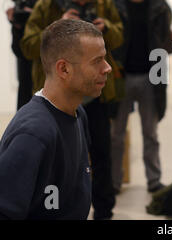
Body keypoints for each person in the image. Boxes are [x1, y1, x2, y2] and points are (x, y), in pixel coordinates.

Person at [20, 0, 123, 220]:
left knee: (101, 153)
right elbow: (28, 46)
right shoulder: (47, 5)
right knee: (60, 159)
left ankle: (104, 210)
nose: (85, 3)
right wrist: (58, 30)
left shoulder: (104, 1)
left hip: (95, 92)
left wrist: (106, 28)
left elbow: (121, 36)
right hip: (60, 94)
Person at [0, 19, 111, 219]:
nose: (107, 68)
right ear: (64, 69)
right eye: (97, 61)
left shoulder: (78, 114)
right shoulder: (34, 134)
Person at [110, 0, 172, 194]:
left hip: (150, 77)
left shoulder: (159, 7)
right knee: (116, 135)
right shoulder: (115, 3)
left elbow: (164, 42)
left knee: (151, 134)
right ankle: (115, 182)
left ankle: (154, 180)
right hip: (120, 76)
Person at [6, 0, 56, 110]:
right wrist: (17, 26)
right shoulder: (22, 6)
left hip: (53, 79)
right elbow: (18, 50)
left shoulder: (59, 7)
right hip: (28, 80)